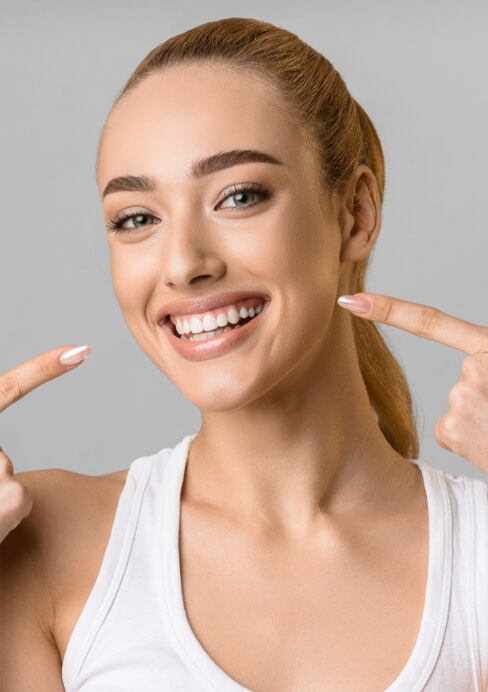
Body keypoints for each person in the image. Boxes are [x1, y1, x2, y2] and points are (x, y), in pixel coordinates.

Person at [1, 16, 488, 691]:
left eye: (239, 196)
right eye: (136, 218)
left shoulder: (480, 558)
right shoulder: (40, 543)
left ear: (355, 213)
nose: (183, 265)